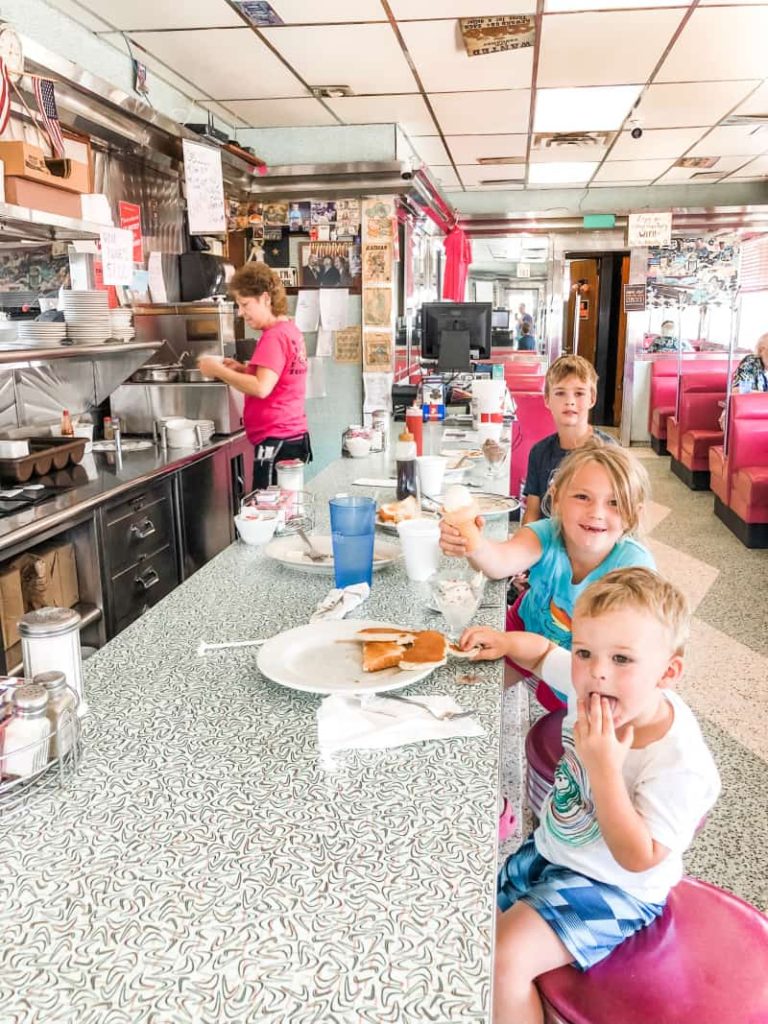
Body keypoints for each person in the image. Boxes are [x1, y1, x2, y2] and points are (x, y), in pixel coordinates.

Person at [460, 568, 720, 1024]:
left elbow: (639, 857)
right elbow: (542, 652)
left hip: (617, 888)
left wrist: (603, 768)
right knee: (465, 917)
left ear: (669, 671)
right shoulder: (595, 686)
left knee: (503, 959)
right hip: (553, 853)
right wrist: (506, 642)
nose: (597, 672)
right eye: (585, 652)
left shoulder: (679, 761)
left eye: (622, 659)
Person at [440, 444, 654, 708]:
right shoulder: (546, 533)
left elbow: (628, 664)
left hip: (573, 671)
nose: (596, 512)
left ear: (634, 514)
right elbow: (498, 563)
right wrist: (472, 542)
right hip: (524, 628)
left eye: (614, 503)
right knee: (467, 698)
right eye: (582, 497)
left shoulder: (633, 570)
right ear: (557, 498)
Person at [198, 262, 311, 489]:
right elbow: (279, 376)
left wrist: (217, 369)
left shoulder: (274, 336)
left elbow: (261, 387)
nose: (241, 313)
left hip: (276, 441)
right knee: (285, 509)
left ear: (265, 298)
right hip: (290, 437)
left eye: (245, 304)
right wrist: (242, 369)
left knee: (269, 514)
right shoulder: (289, 330)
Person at [523, 355, 616, 526]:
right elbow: (532, 513)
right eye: (560, 393)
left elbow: (617, 515)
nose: (570, 402)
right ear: (547, 399)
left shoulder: (609, 451)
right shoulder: (539, 452)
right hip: (548, 544)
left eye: (579, 393)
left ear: (592, 398)